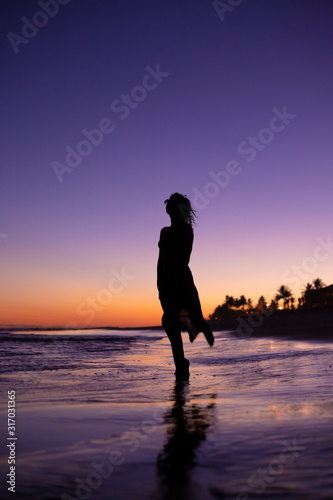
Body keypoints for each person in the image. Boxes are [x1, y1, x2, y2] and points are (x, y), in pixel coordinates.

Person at [157, 193, 214, 381]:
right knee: (171, 322)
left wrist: (174, 282)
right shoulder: (164, 231)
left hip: (180, 280)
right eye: (168, 204)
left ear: (178, 209)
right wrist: (160, 284)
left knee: (169, 320)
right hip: (165, 282)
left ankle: (181, 364)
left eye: (172, 205)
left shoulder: (186, 230)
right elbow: (161, 260)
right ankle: (181, 364)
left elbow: (185, 258)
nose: (168, 208)